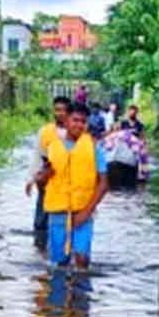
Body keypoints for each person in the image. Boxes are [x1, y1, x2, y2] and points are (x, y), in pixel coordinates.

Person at [35, 103, 110, 268]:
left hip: (83, 211)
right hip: (58, 212)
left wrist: (86, 212)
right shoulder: (53, 147)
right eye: (75, 120)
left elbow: (103, 184)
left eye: (83, 121)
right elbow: (42, 182)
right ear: (67, 121)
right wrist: (42, 177)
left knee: (82, 260)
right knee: (59, 261)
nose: (79, 125)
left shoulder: (93, 148)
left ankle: (80, 292)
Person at [26, 96, 71, 245]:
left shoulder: (75, 131)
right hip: (47, 178)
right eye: (57, 110)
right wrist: (31, 179)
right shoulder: (45, 132)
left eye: (64, 110)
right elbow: (37, 156)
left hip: (67, 183)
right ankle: (40, 246)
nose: (60, 113)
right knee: (41, 220)